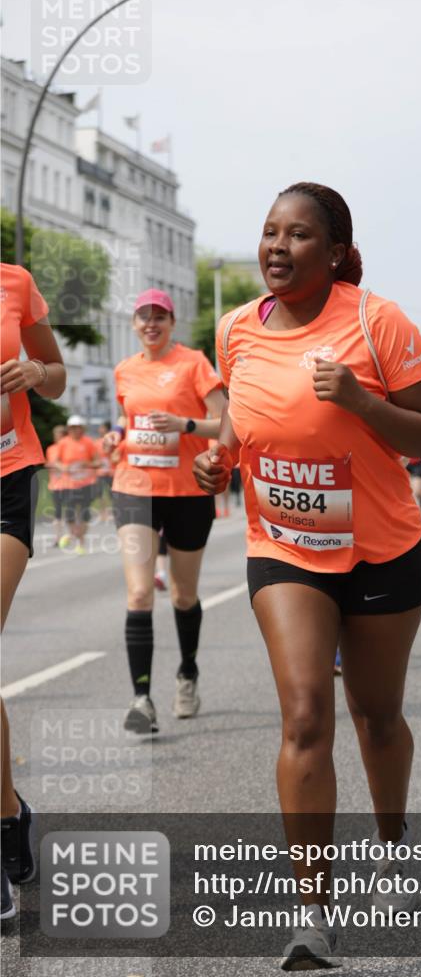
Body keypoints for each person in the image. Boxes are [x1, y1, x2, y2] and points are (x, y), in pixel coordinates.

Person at [193, 182, 421, 970]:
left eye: (297, 235)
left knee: (375, 717)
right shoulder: (235, 327)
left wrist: (364, 404)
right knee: (304, 714)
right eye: (269, 232)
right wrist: (218, 457)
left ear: (334, 252)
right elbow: (239, 417)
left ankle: (393, 846)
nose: (276, 246)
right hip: (285, 546)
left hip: (381, 547)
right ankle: (311, 912)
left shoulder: (377, 321)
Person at [104, 289, 224, 734]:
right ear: (134, 324)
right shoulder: (124, 370)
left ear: (172, 322)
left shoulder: (193, 363)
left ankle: (188, 673)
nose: (151, 323)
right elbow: (128, 418)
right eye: (143, 317)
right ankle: (141, 698)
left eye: (160, 316)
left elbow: (225, 422)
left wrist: (185, 425)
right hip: (133, 487)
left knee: (182, 594)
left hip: (189, 491)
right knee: (138, 594)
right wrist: (116, 436)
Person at [0, 262, 66, 919]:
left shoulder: (13, 283)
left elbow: (58, 373)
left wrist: (33, 374)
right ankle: (9, 814)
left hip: (5, 480)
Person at [51, 415, 100, 554]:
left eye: (78, 428)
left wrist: (88, 464)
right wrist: (63, 468)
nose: (76, 430)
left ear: (82, 428)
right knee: (70, 514)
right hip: (69, 484)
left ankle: (81, 542)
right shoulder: (63, 443)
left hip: (87, 483)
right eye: (72, 428)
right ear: (69, 429)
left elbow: (98, 462)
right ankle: (74, 535)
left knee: (84, 513)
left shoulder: (89, 442)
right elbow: (56, 461)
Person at [44, 424, 67, 546]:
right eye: (56, 435)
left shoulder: (68, 448)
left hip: (69, 484)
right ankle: (58, 537)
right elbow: (48, 464)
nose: (57, 437)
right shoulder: (51, 449)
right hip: (55, 485)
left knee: (71, 511)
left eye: (60, 435)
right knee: (57, 512)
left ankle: (74, 535)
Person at [94, 421, 115, 521]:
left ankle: (114, 512)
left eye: (101, 428)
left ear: (107, 429)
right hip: (100, 472)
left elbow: (110, 453)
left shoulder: (112, 440)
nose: (99, 430)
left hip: (111, 472)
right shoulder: (96, 442)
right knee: (100, 494)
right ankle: (103, 513)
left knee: (112, 494)